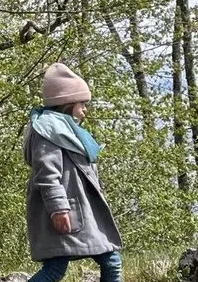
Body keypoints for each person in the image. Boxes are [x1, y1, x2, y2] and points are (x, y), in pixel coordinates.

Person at [23, 63, 123, 282]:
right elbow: (47, 174)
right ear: (67, 103)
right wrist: (59, 209)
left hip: (80, 210)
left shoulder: (65, 130)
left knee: (110, 261)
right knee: (55, 270)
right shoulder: (47, 131)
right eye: (82, 104)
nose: (85, 109)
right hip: (66, 210)